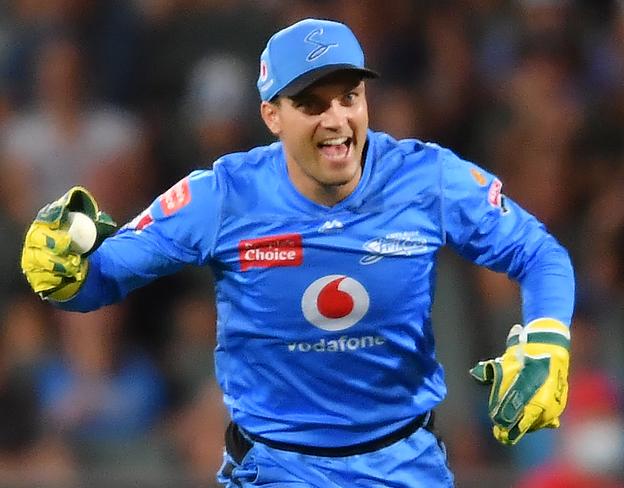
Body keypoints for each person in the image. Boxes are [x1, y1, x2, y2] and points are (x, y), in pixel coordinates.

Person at [20, 18, 575, 487]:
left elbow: (540, 255)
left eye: (349, 97)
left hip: (404, 466)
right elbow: (100, 280)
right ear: (272, 116)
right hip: (275, 469)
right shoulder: (222, 195)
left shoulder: (428, 178)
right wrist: (60, 272)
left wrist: (548, 338)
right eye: (311, 103)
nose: (336, 119)